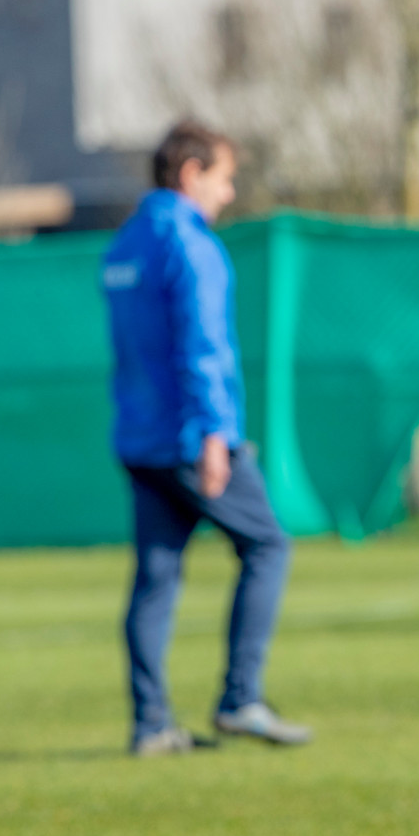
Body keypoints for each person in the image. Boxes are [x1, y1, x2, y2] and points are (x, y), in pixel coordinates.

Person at [102, 120, 311, 756]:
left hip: (140, 440)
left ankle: (151, 725)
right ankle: (240, 698)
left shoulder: (124, 245)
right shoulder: (191, 245)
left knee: (156, 579)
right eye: (224, 179)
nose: (228, 194)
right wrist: (215, 435)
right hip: (193, 439)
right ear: (191, 174)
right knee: (269, 545)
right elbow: (202, 348)